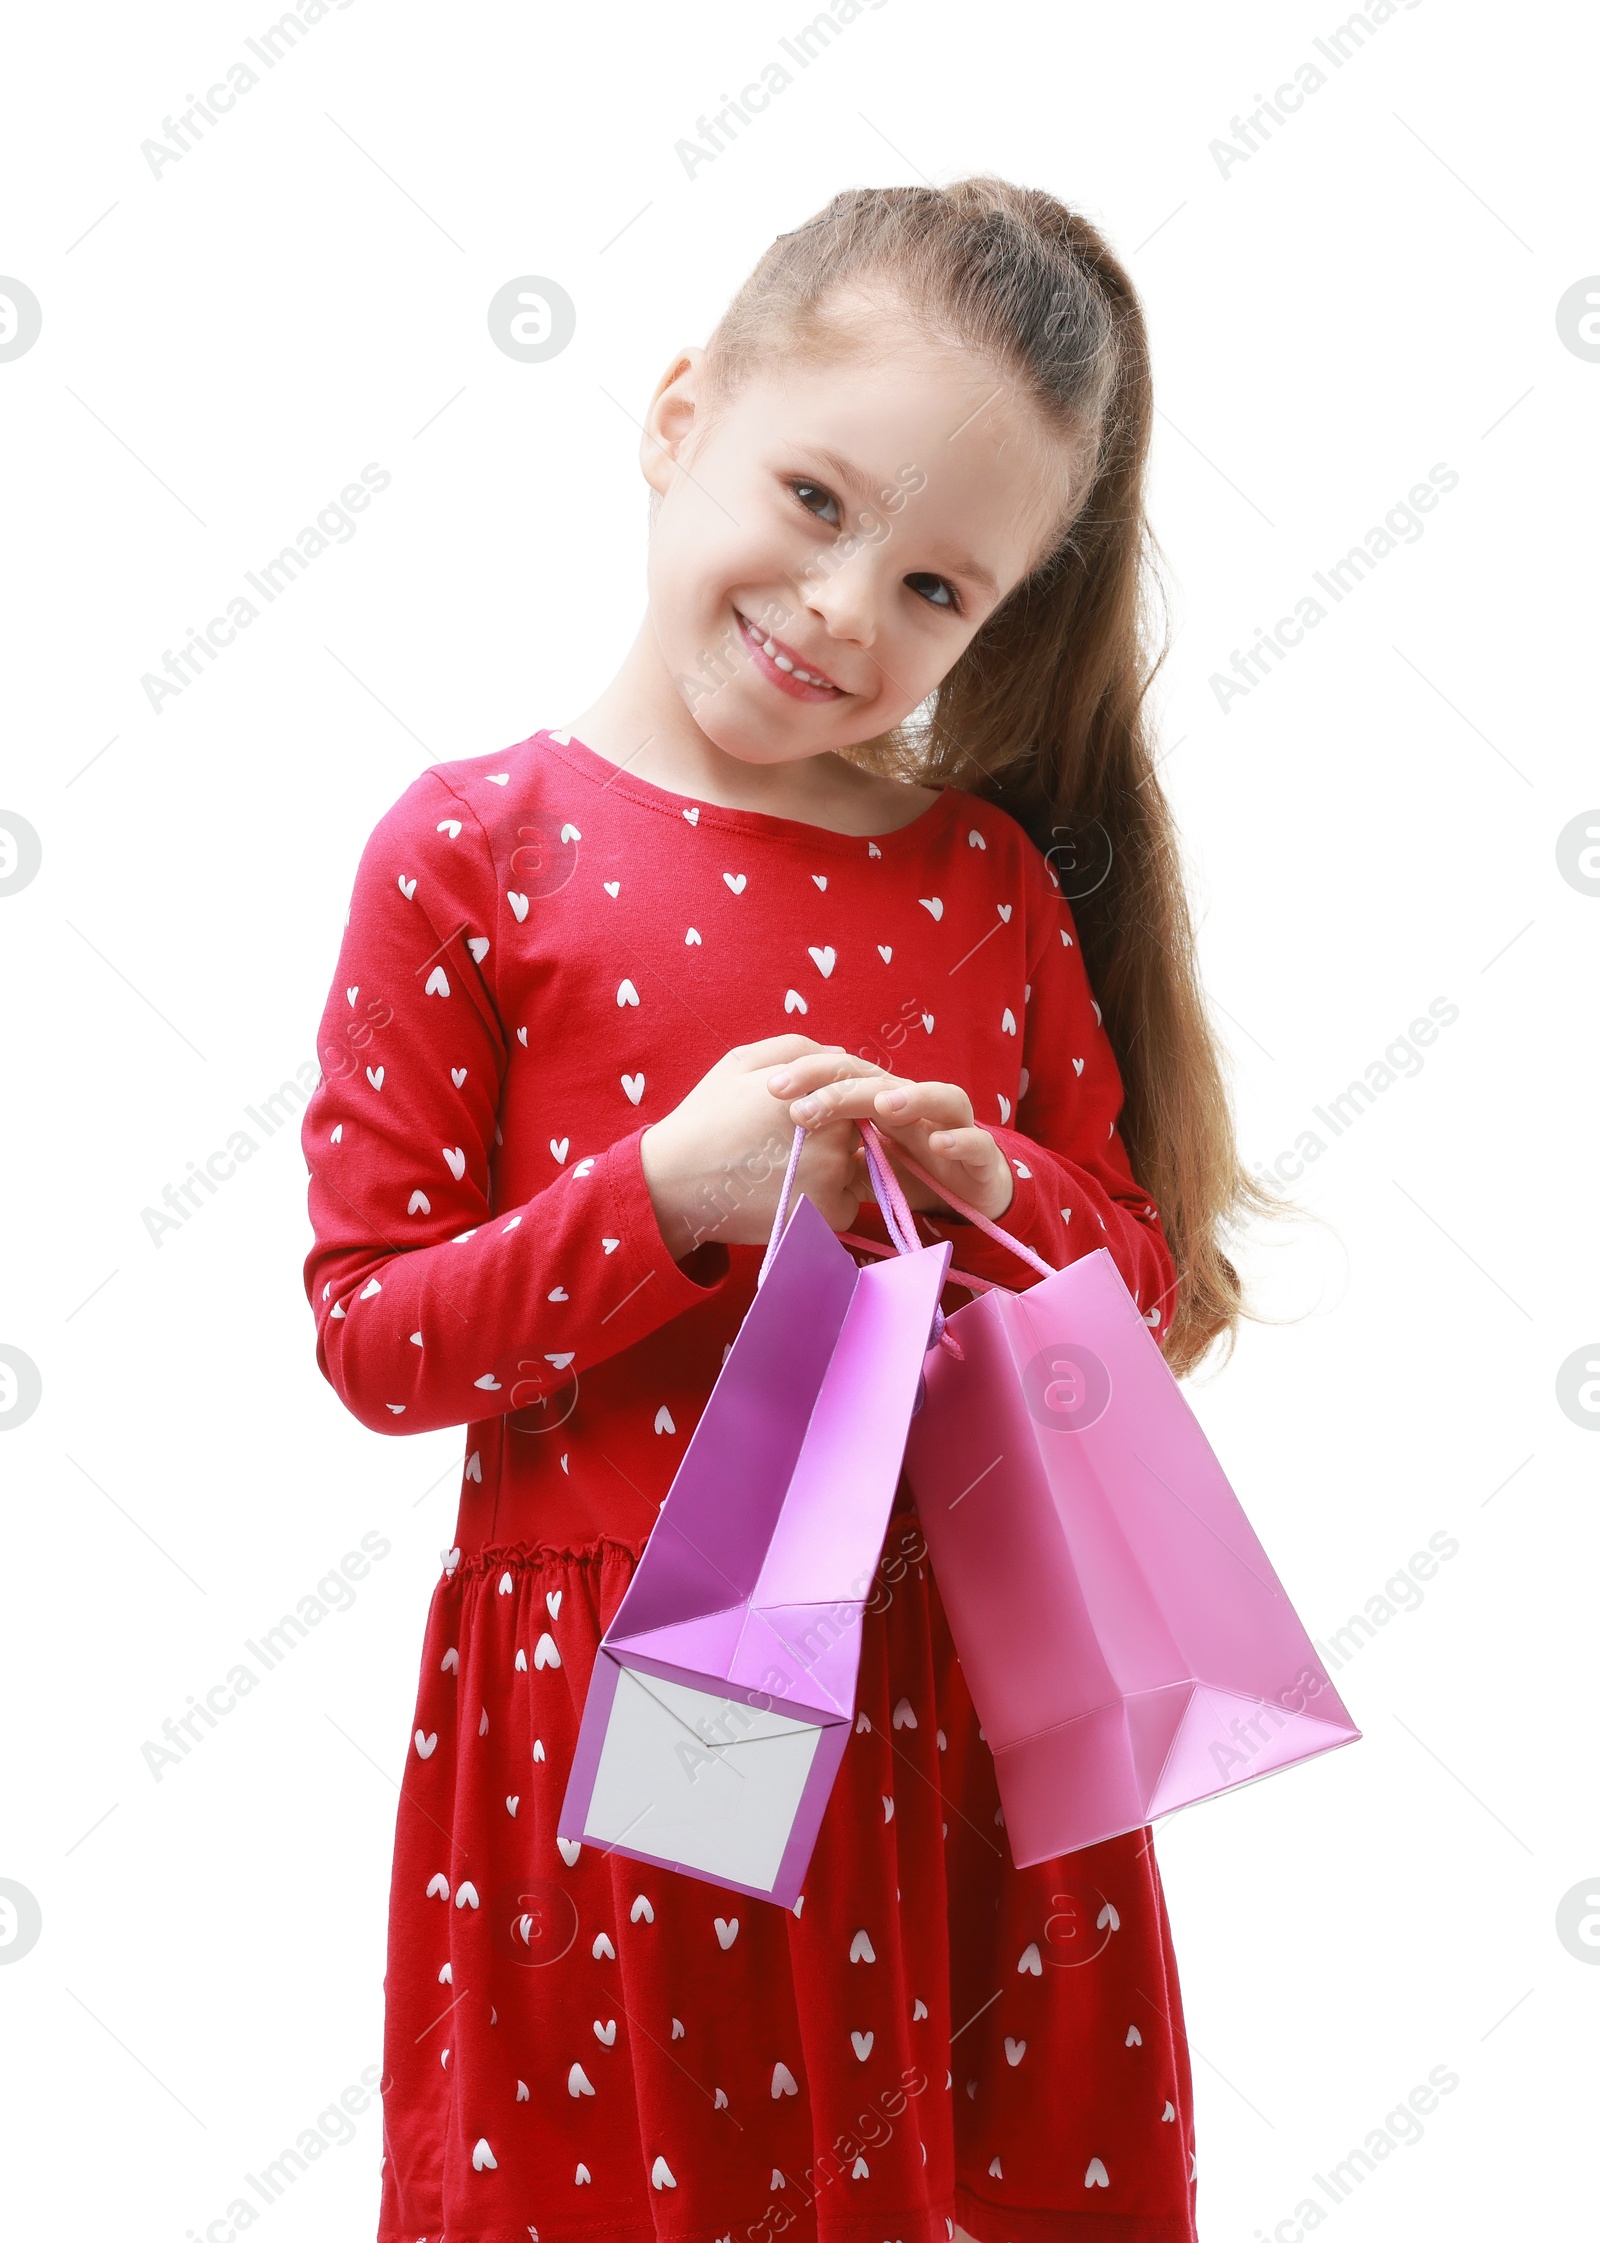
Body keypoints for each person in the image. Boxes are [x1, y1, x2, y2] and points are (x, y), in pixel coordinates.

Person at [301, 173, 1273, 2243]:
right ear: (675, 417)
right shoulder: (473, 852)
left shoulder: (986, 888)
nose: (844, 607)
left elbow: (1133, 1281)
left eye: (937, 587)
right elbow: (377, 1339)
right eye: (815, 500)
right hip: (635, 1717)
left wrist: (996, 1187)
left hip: (966, 1712)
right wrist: (663, 1197)